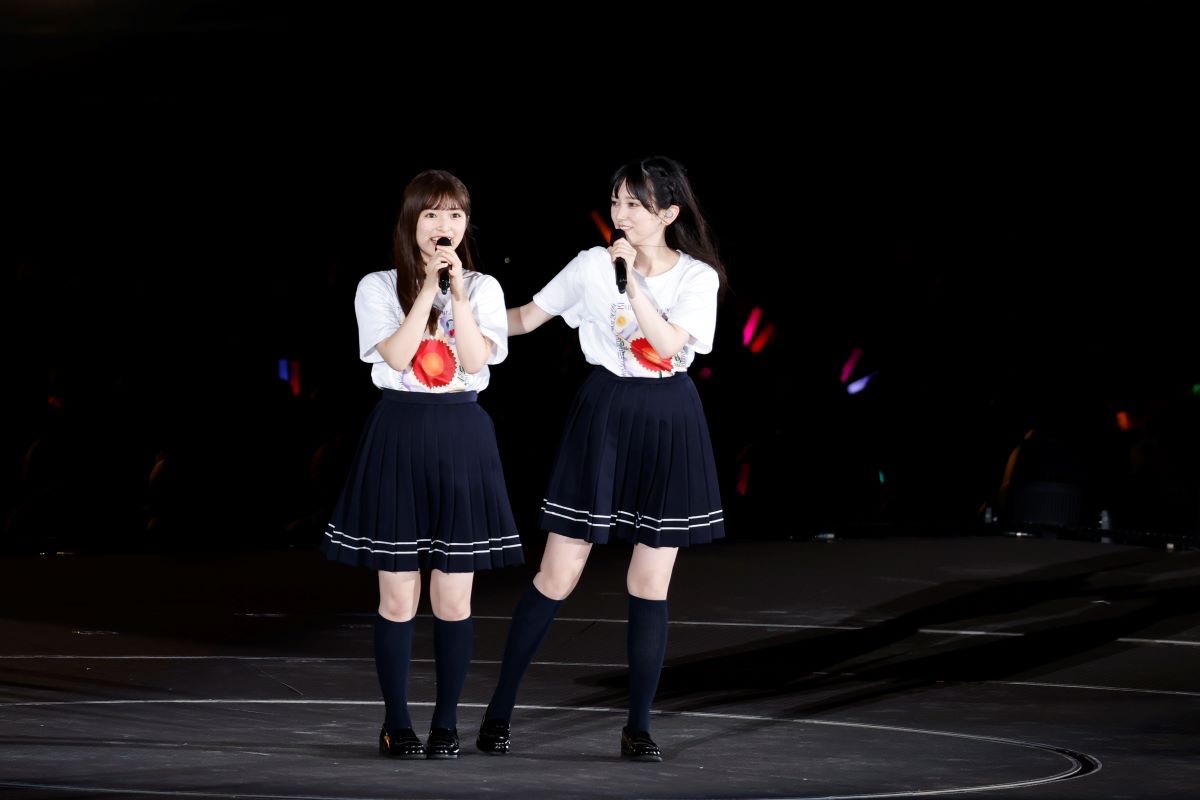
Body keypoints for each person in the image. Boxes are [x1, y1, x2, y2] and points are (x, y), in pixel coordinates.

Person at [476, 156, 727, 762]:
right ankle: (498, 711)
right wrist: (458, 313)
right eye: (616, 201)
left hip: (669, 417)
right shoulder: (592, 264)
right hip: (606, 412)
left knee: (649, 581)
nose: (621, 214)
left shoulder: (698, 279)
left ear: (669, 212)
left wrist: (632, 282)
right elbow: (526, 318)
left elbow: (667, 344)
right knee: (558, 573)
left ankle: (638, 727)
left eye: (635, 204)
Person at [321, 169, 524, 760]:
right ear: (411, 221)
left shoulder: (482, 288)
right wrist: (426, 287)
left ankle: (446, 723)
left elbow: (478, 360)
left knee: (454, 599)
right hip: (400, 432)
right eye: (432, 213)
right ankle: (397, 722)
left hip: (463, 434)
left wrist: (455, 294)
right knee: (398, 597)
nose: (444, 225)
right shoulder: (377, 286)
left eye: (455, 214)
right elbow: (396, 354)